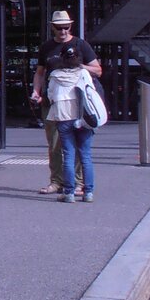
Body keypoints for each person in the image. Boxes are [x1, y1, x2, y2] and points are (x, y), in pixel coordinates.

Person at [30, 10, 102, 200]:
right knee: (56, 145)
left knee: (73, 149)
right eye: (59, 27)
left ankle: (76, 184)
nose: (63, 31)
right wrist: (36, 91)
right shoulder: (47, 47)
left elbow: (98, 70)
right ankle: (58, 182)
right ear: (52, 27)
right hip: (53, 104)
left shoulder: (81, 44)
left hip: (79, 106)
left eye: (66, 27)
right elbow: (39, 73)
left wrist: (78, 66)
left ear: (70, 26)